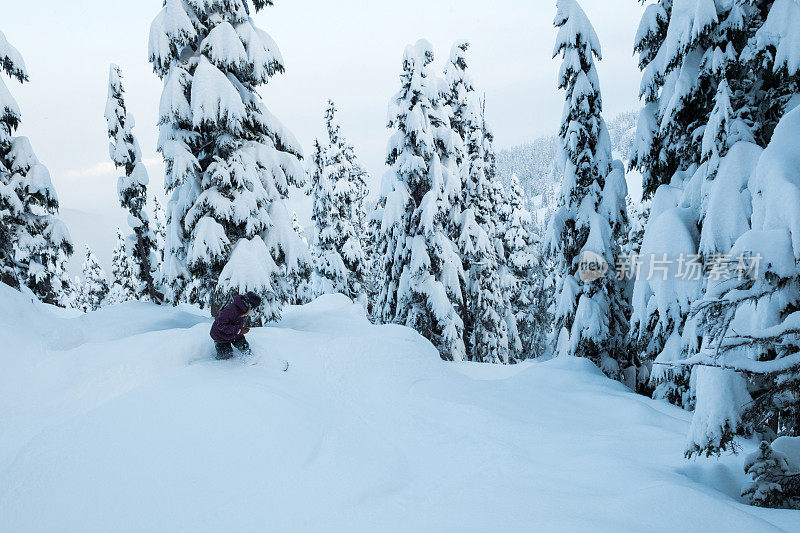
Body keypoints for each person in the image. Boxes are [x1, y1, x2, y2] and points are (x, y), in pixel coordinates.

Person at [210, 291, 262, 360]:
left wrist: (239, 329)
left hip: (233, 333)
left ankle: (252, 361)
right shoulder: (231, 310)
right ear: (249, 304)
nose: (253, 309)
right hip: (220, 335)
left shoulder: (243, 308)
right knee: (226, 357)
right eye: (253, 307)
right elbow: (220, 324)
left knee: (245, 348)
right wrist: (239, 330)